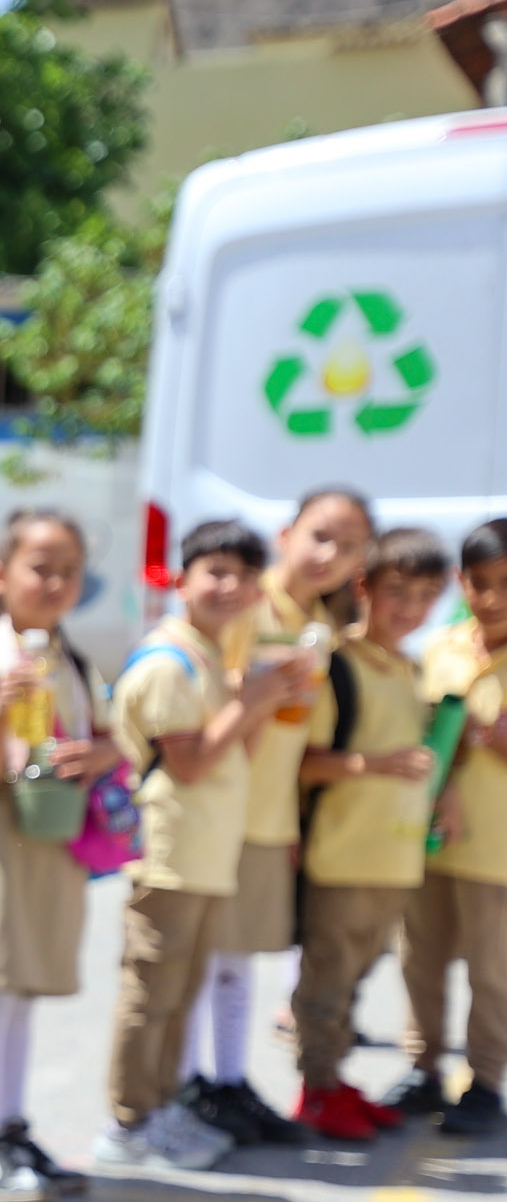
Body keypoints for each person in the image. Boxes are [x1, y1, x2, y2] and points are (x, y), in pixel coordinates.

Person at [93, 519, 307, 1171]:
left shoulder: (211, 655)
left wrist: (260, 703)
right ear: (178, 579)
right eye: (214, 571)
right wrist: (253, 703)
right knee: (152, 992)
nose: (230, 586)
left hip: (203, 855)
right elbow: (189, 764)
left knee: (179, 994)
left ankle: (160, 1108)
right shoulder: (169, 662)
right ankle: (128, 1121)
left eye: (244, 575)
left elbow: (233, 753)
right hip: (169, 854)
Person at [181, 487, 376, 1145]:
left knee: (237, 961)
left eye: (348, 546)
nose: (329, 554)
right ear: (285, 530)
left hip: (269, 818)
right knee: (193, 960)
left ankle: (228, 1083)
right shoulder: (245, 603)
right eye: (319, 535)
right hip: (216, 808)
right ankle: (182, 1089)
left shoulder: (320, 622)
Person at [0, 510, 108, 1202]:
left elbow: (103, 735)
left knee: (22, 991)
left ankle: (9, 1124)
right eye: (38, 566)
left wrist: (98, 753)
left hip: (51, 838)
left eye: (67, 570)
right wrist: (0, 712)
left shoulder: (67, 658)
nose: (52, 582)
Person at [289, 527, 451, 1140]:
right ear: (364, 589)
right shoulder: (337, 665)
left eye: (425, 596)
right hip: (342, 856)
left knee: (355, 981)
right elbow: (306, 760)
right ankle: (317, 1089)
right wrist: (374, 765)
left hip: (395, 859)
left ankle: (334, 1081)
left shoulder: (411, 668)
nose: (410, 609)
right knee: (326, 983)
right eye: (398, 592)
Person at [397, 516, 507, 1137]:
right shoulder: (441, 648)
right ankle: (422, 1066)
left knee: (493, 971)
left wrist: (492, 740)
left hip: (496, 848)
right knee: (421, 958)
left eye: (506, 583)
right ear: (460, 582)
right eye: (479, 582)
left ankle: (487, 1080)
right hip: (428, 841)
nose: (491, 598)